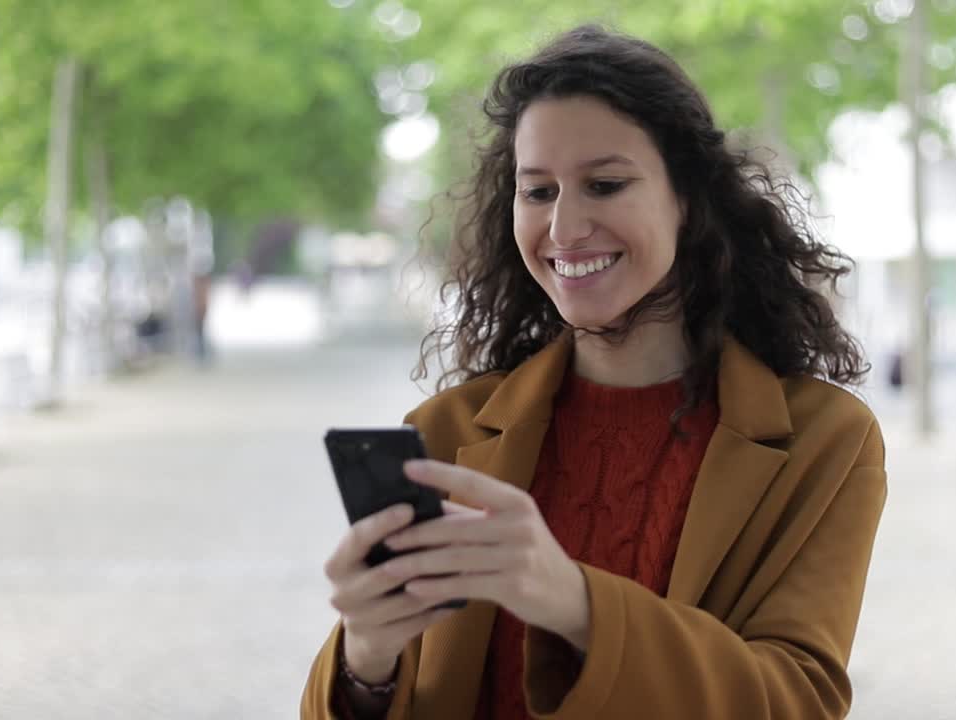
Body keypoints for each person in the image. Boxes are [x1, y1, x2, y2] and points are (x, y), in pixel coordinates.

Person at [303, 25, 887, 720]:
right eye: (538, 191)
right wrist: (366, 657)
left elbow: (797, 701)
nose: (565, 227)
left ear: (688, 200)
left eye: (604, 185)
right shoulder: (445, 431)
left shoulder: (825, 442)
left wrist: (575, 605)